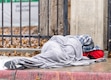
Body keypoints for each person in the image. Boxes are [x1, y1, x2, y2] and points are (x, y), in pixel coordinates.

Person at [4, 34, 105, 70]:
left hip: (50, 44)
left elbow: (99, 53)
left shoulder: (72, 40)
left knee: (46, 60)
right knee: (47, 60)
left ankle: (23, 63)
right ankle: (22, 61)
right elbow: (99, 53)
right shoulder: (74, 45)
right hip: (58, 47)